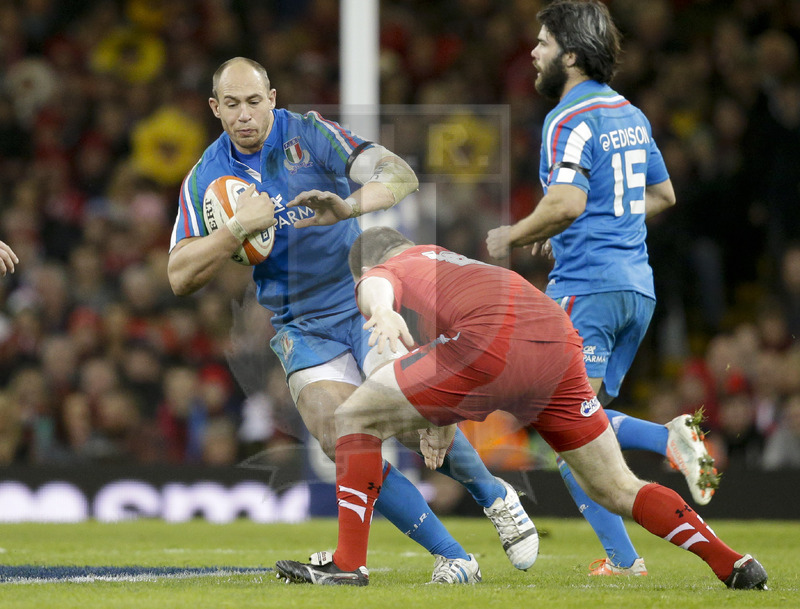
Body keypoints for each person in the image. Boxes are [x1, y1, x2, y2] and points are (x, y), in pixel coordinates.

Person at [167, 57, 538, 584]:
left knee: (412, 421)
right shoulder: (206, 175)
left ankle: (495, 496)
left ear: (272, 98)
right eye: (232, 105)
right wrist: (234, 231)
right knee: (340, 437)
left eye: (253, 101)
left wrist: (348, 207)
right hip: (300, 323)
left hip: (363, 298)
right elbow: (179, 275)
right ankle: (455, 557)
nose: (244, 115)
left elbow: (400, 175)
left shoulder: (310, 134)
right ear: (214, 108)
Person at [275, 227, 767, 589]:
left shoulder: (392, 266)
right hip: (558, 343)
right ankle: (733, 563)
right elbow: (442, 361)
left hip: (491, 344)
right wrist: (438, 417)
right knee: (616, 486)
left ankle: (348, 564)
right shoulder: (451, 262)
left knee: (353, 418)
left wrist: (380, 307)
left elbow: (377, 286)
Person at [485, 0, 719, 576]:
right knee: (578, 429)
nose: (533, 53)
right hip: (636, 290)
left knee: (564, 427)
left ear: (570, 55)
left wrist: (512, 235)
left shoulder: (568, 117)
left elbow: (566, 202)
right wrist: (594, 221)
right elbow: (662, 195)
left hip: (587, 288)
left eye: (543, 43)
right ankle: (625, 555)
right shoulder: (630, 114)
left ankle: (663, 447)